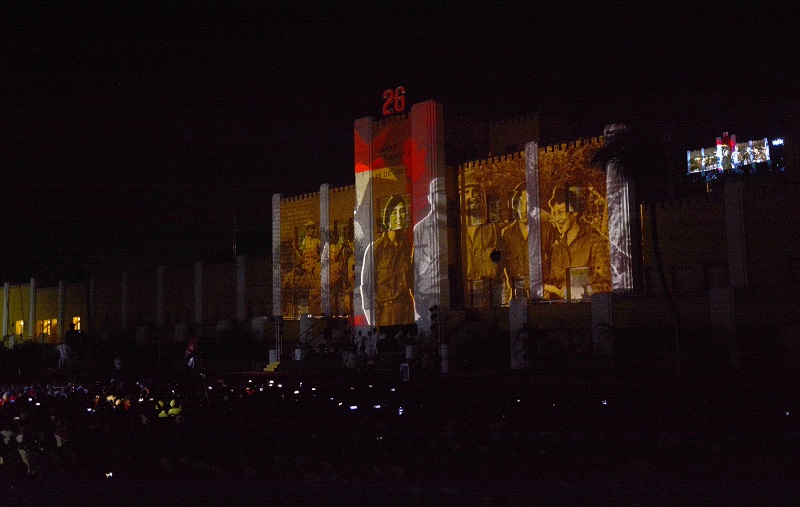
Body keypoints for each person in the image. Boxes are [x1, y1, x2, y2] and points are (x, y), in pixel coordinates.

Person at [543, 187, 611, 300]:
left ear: (574, 212)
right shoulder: (557, 250)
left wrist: (578, 292)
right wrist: (548, 294)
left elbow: (606, 285)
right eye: (554, 214)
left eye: (560, 212)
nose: (556, 219)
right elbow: (554, 284)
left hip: (588, 312)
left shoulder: (594, 243)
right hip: (563, 313)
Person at [360, 195, 414, 326]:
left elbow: (413, 282)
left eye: (402, 212)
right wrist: (374, 324)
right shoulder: (375, 249)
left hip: (407, 312)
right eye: (394, 212)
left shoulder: (408, 247)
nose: (399, 217)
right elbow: (366, 289)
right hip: (385, 314)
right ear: (388, 217)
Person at [463, 174, 503, 306]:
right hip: (464, 295)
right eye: (466, 192)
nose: (471, 196)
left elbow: (503, 264)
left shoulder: (492, 228)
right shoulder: (455, 231)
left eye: (475, 192)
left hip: (488, 294)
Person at [413, 177, 447, 331]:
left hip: (445, 288)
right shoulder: (420, 229)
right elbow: (416, 265)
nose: (439, 197)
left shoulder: (450, 223)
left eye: (442, 193)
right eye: (436, 193)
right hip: (427, 293)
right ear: (429, 198)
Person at [500, 182, 530, 303]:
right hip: (517, 295)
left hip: (541, 295)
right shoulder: (507, 233)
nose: (523, 209)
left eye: (527, 204)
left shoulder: (545, 230)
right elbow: (503, 265)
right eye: (520, 204)